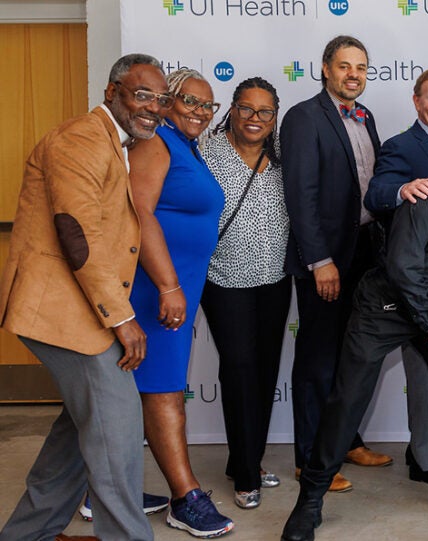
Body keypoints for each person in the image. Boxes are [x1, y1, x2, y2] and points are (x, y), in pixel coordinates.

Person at [282, 126, 428, 540]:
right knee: (348, 399)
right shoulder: (426, 200)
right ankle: (310, 499)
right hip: (384, 309)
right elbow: (404, 271)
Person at [0, 53, 165, 541]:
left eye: (160, 98)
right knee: (116, 435)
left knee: (79, 432)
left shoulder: (115, 142)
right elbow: (77, 233)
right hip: (62, 311)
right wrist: (122, 317)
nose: (153, 107)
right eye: (142, 94)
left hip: (80, 309)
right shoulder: (80, 138)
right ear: (112, 91)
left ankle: (25, 534)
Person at [280, 35, 392, 496]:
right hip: (327, 257)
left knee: (354, 355)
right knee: (317, 359)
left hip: (365, 250)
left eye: (361, 67)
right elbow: (300, 196)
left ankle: (346, 440)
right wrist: (319, 261)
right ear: (325, 69)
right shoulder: (305, 117)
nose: (353, 75)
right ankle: (310, 460)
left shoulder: (364, 117)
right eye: (344, 66)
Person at [124, 67, 233, 538]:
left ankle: (108, 491)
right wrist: (168, 286)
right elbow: (138, 211)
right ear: (167, 101)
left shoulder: (187, 147)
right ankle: (185, 497)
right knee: (166, 391)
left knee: (138, 393)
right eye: (190, 101)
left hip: (175, 287)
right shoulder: (156, 143)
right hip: (154, 289)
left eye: (208, 106)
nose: (200, 112)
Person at [363, 67, 428, 486]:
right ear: (417, 102)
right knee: (423, 372)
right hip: (417, 281)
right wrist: (402, 190)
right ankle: (424, 458)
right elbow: (375, 194)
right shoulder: (401, 146)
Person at [201, 76, 291, 509]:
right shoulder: (206, 152)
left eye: (265, 111)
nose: (255, 118)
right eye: (247, 109)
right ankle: (246, 473)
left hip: (275, 279)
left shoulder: (283, 159)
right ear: (232, 110)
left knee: (265, 370)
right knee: (238, 368)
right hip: (223, 280)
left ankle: (246, 461)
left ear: (275, 117)